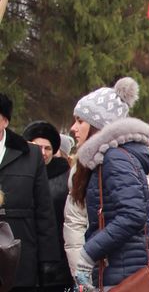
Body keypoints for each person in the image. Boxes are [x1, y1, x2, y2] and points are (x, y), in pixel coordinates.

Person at [66, 77, 149, 290]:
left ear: (99, 126)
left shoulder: (114, 158)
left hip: (124, 277)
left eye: (80, 121)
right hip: (117, 271)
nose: (73, 128)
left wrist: (89, 252)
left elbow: (133, 215)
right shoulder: (109, 158)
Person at [0, 97, 64, 291]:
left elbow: (44, 211)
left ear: (4, 121)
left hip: (20, 258)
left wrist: (48, 261)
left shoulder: (30, 155)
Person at [22, 120, 72, 292]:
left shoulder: (67, 177)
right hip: (24, 260)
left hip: (58, 262)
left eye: (47, 148)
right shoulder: (18, 174)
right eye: (37, 147)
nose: (42, 153)